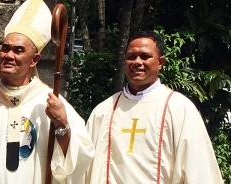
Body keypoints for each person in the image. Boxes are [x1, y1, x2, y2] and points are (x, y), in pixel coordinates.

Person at [0, 0, 94, 183]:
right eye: (5, 48)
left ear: (34, 59)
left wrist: (62, 126)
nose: (9, 55)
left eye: (18, 51)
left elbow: (81, 158)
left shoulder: (50, 103)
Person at [84, 30, 223, 184]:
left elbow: (198, 169)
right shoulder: (104, 111)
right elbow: (81, 161)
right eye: (131, 57)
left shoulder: (179, 109)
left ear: (160, 62)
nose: (137, 62)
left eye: (145, 56)